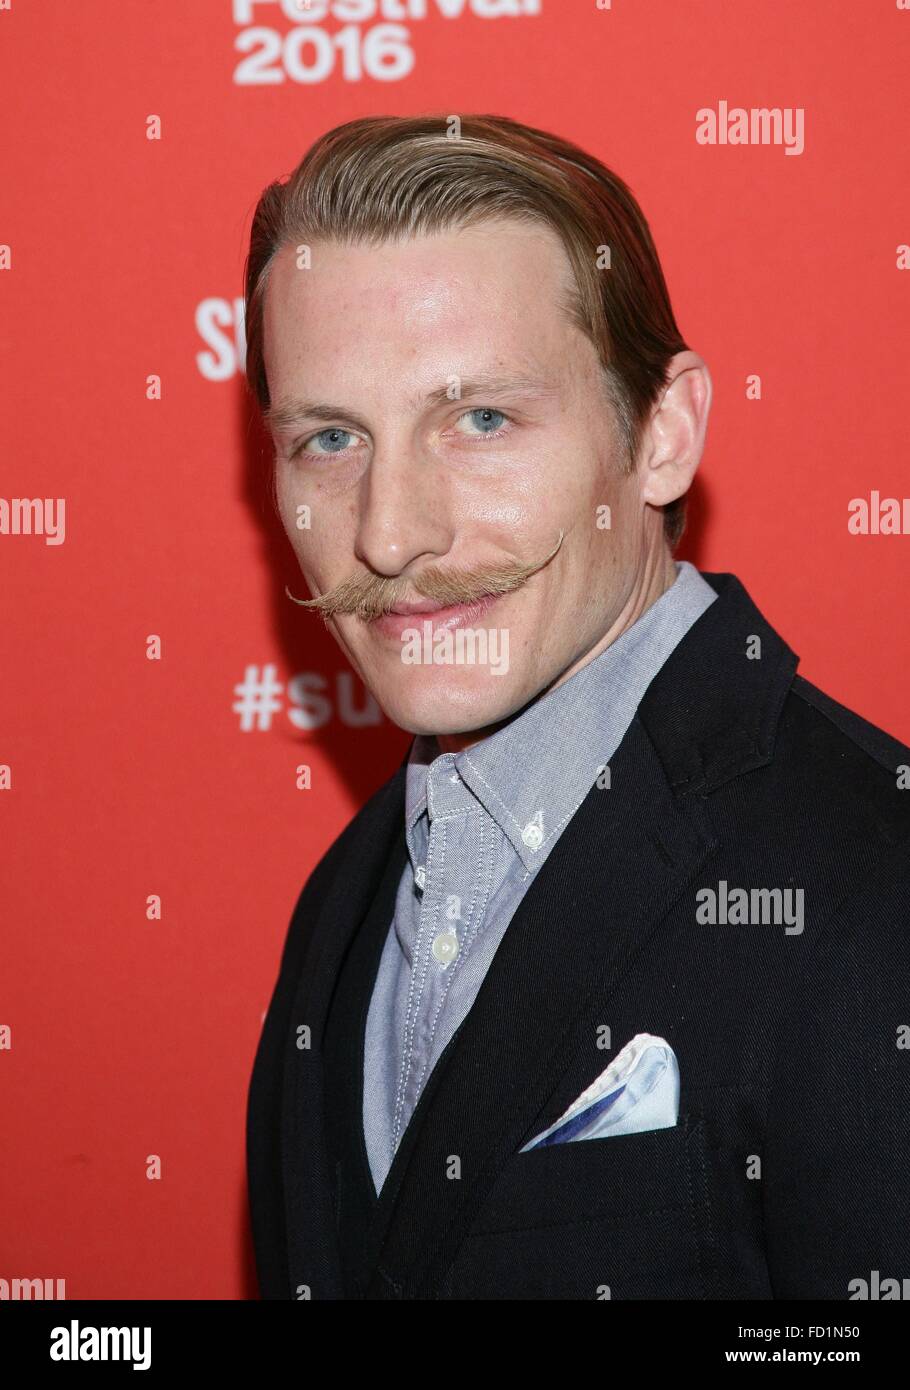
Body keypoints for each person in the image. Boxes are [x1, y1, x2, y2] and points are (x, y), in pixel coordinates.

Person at [244, 114, 910, 1299]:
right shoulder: (347, 900)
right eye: (331, 438)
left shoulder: (875, 884)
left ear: (661, 433)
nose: (389, 530)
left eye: (480, 421)